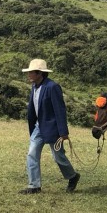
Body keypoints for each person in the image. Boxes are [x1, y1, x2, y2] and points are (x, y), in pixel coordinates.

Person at [20, 58, 80, 194]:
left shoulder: (52, 87)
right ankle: (34, 185)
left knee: (58, 156)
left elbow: (60, 109)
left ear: (39, 73)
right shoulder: (34, 87)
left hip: (52, 128)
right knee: (32, 154)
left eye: (31, 72)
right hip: (38, 127)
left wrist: (63, 132)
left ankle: (72, 176)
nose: (28, 75)